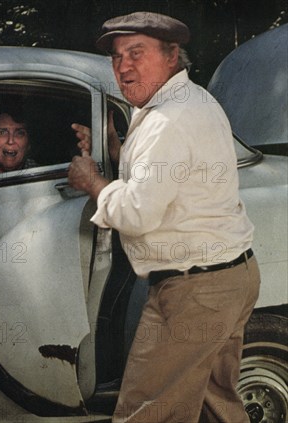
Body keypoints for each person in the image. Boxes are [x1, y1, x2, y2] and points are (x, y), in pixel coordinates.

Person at [68, 12, 260, 423]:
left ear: (173, 56)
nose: (123, 66)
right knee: (215, 405)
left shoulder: (168, 119)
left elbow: (138, 212)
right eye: (117, 57)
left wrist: (94, 181)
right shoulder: (186, 100)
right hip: (228, 279)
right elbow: (168, 175)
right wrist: (118, 150)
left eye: (136, 53)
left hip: (195, 292)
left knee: (146, 410)